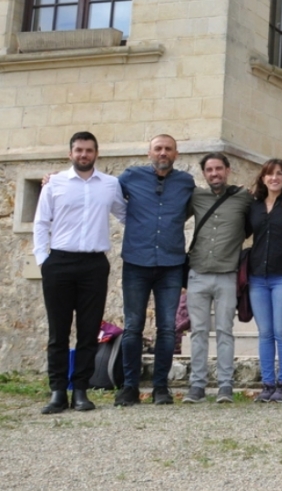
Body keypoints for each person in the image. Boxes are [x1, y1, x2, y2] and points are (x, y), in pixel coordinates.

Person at [33, 131, 127, 414]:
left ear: (96, 153)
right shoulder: (54, 183)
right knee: (58, 332)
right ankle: (57, 392)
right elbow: (41, 223)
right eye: (79, 150)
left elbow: (126, 215)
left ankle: (81, 391)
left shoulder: (110, 184)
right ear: (70, 153)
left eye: (88, 150)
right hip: (59, 263)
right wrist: (43, 260)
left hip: (94, 265)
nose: (83, 155)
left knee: (88, 331)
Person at [115, 134, 195, 407]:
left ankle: (161, 387)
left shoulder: (186, 182)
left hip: (171, 265)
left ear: (176, 154)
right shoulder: (130, 177)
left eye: (168, 149)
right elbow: (102, 191)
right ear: (149, 153)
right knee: (133, 327)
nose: (163, 153)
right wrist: (55, 179)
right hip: (136, 262)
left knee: (167, 329)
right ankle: (129, 387)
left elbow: (196, 206)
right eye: (158, 148)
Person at [181, 153, 252, 405]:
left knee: (224, 331)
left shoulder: (244, 197)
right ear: (204, 174)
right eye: (209, 170)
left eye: (219, 168)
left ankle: (225, 386)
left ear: (228, 170)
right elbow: (173, 216)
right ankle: (197, 386)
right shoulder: (196, 197)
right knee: (198, 331)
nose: (214, 173)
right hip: (198, 274)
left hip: (227, 275)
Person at [246, 158, 282, 403]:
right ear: (263, 178)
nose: (274, 178)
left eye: (279, 173)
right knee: (265, 332)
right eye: (269, 174)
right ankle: (267, 384)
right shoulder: (254, 205)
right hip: (257, 275)